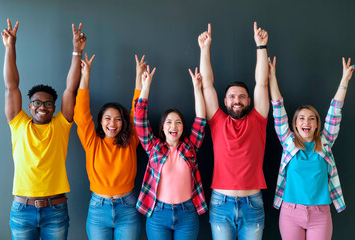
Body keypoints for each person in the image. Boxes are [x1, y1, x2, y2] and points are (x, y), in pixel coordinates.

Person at [2, 18, 86, 239]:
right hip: (22, 210)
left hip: (55, 210)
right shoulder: (18, 123)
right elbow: (11, 86)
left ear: (54, 108)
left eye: (48, 103)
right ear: (29, 106)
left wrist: (76, 52)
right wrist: (10, 47)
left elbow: (70, 89)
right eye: (37, 103)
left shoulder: (60, 124)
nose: (42, 107)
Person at [198, 22, 269, 239]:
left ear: (249, 100)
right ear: (225, 101)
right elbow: (207, 84)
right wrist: (204, 49)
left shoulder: (258, 119)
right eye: (231, 97)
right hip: (221, 203)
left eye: (241, 96)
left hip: (252, 204)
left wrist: (261, 47)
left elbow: (261, 83)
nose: (236, 100)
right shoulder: (217, 120)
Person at [269, 56, 352, 240]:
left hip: (320, 214)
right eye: (301, 118)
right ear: (295, 124)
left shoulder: (325, 142)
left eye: (311, 118)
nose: (306, 121)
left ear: (316, 125)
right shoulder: (288, 142)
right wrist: (272, 77)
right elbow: (278, 107)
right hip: (290, 212)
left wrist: (344, 80)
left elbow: (335, 110)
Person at [73, 54, 146, 239]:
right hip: (98, 209)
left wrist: (139, 76)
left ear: (123, 123)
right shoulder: (92, 142)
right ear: (101, 121)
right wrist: (85, 75)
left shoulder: (130, 141)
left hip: (127, 207)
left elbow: (136, 112)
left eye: (117, 119)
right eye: (108, 118)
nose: (112, 123)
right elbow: (81, 113)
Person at [134, 65, 207, 240]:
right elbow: (139, 119)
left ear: (183, 128)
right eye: (169, 122)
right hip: (158, 213)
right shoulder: (154, 147)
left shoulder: (190, 147)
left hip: (187, 213)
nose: (173, 126)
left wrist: (197, 89)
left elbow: (201, 119)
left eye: (178, 122)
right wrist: (146, 86)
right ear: (163, 128)